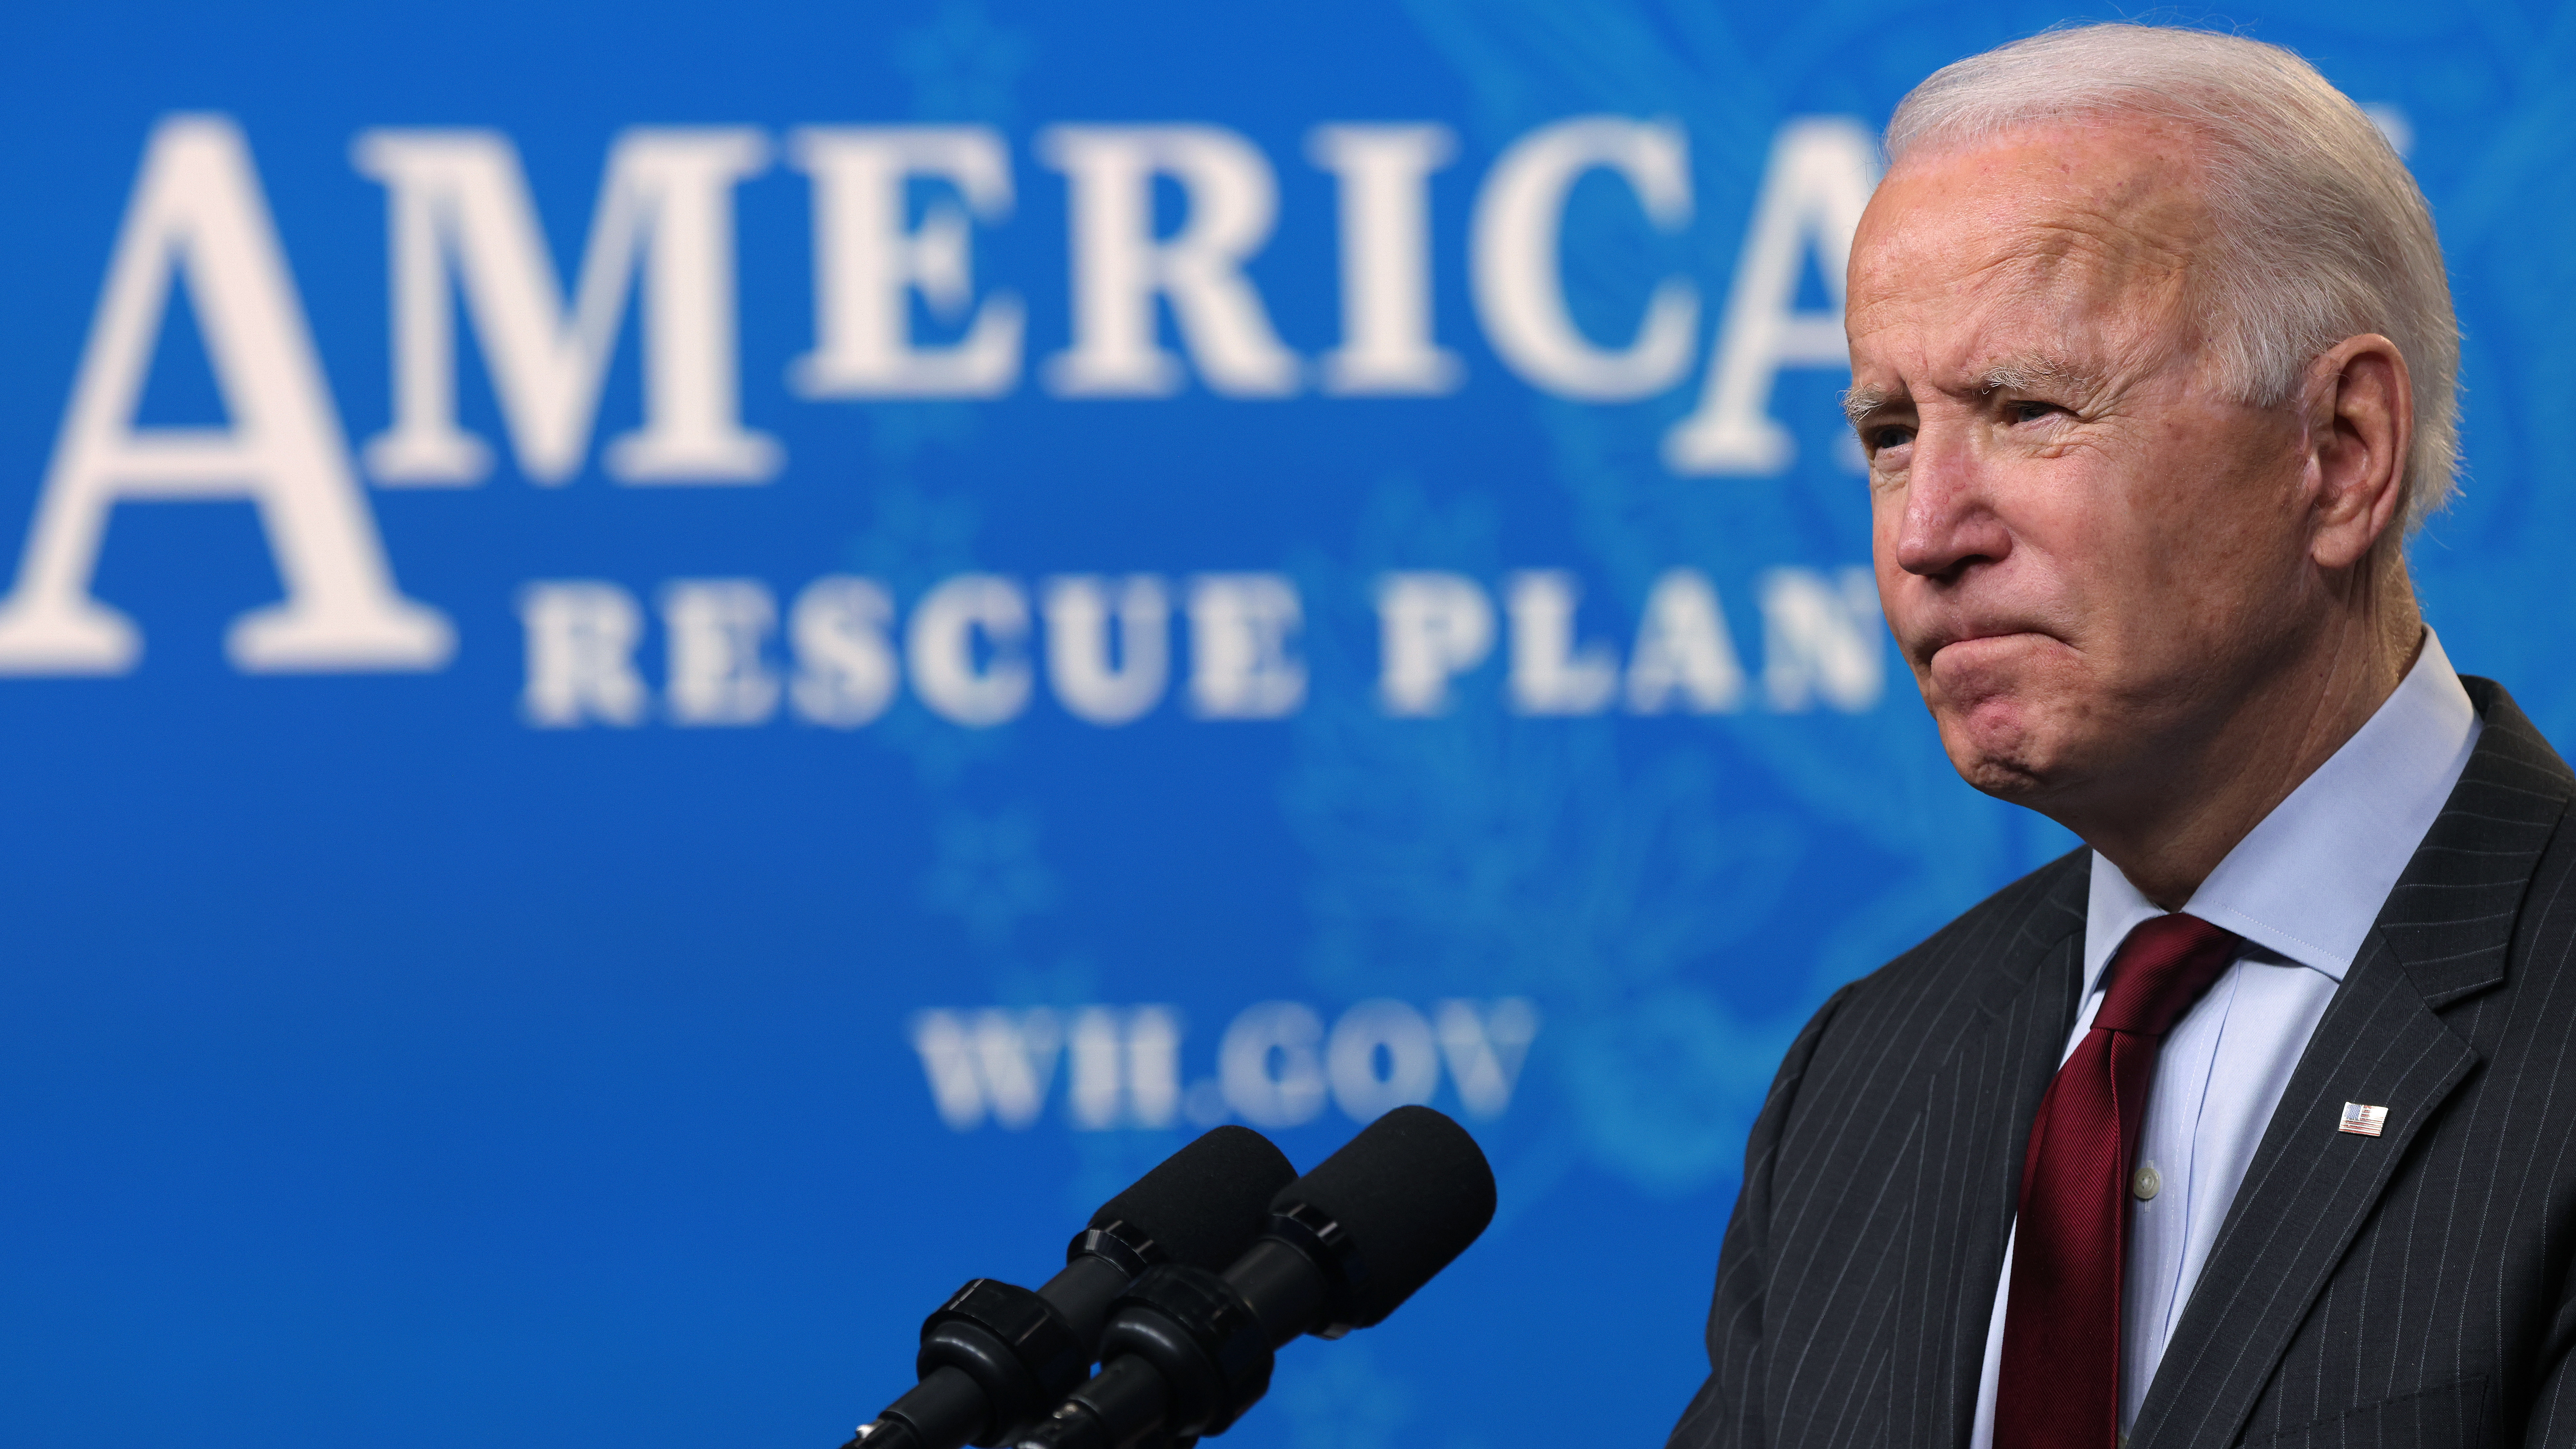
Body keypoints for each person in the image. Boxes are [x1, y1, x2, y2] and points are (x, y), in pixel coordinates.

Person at [1669, 22, 2576, 1449]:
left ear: (2342, 451)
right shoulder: (1867, 1072)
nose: (1924, 533)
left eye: (2028, 409)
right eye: (1890, 433)